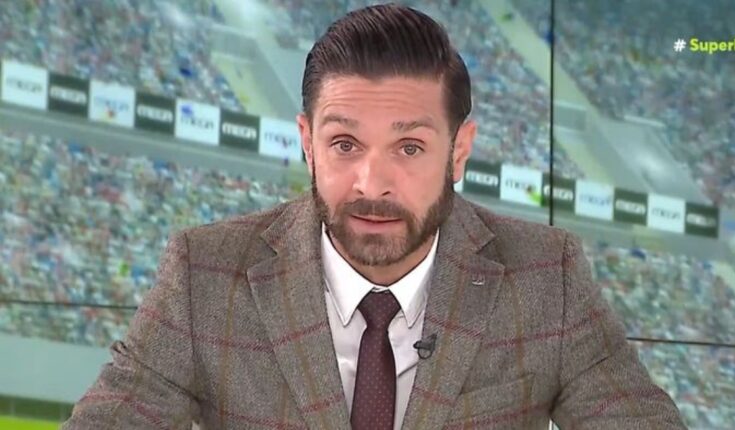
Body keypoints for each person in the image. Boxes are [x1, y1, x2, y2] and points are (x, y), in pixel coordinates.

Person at [62, 4, 686, 429]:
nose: (372, 183)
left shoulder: (548, 277)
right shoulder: (205, 274)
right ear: (307, 144)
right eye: (344, 144)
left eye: (409, 148)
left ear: (458, 151)